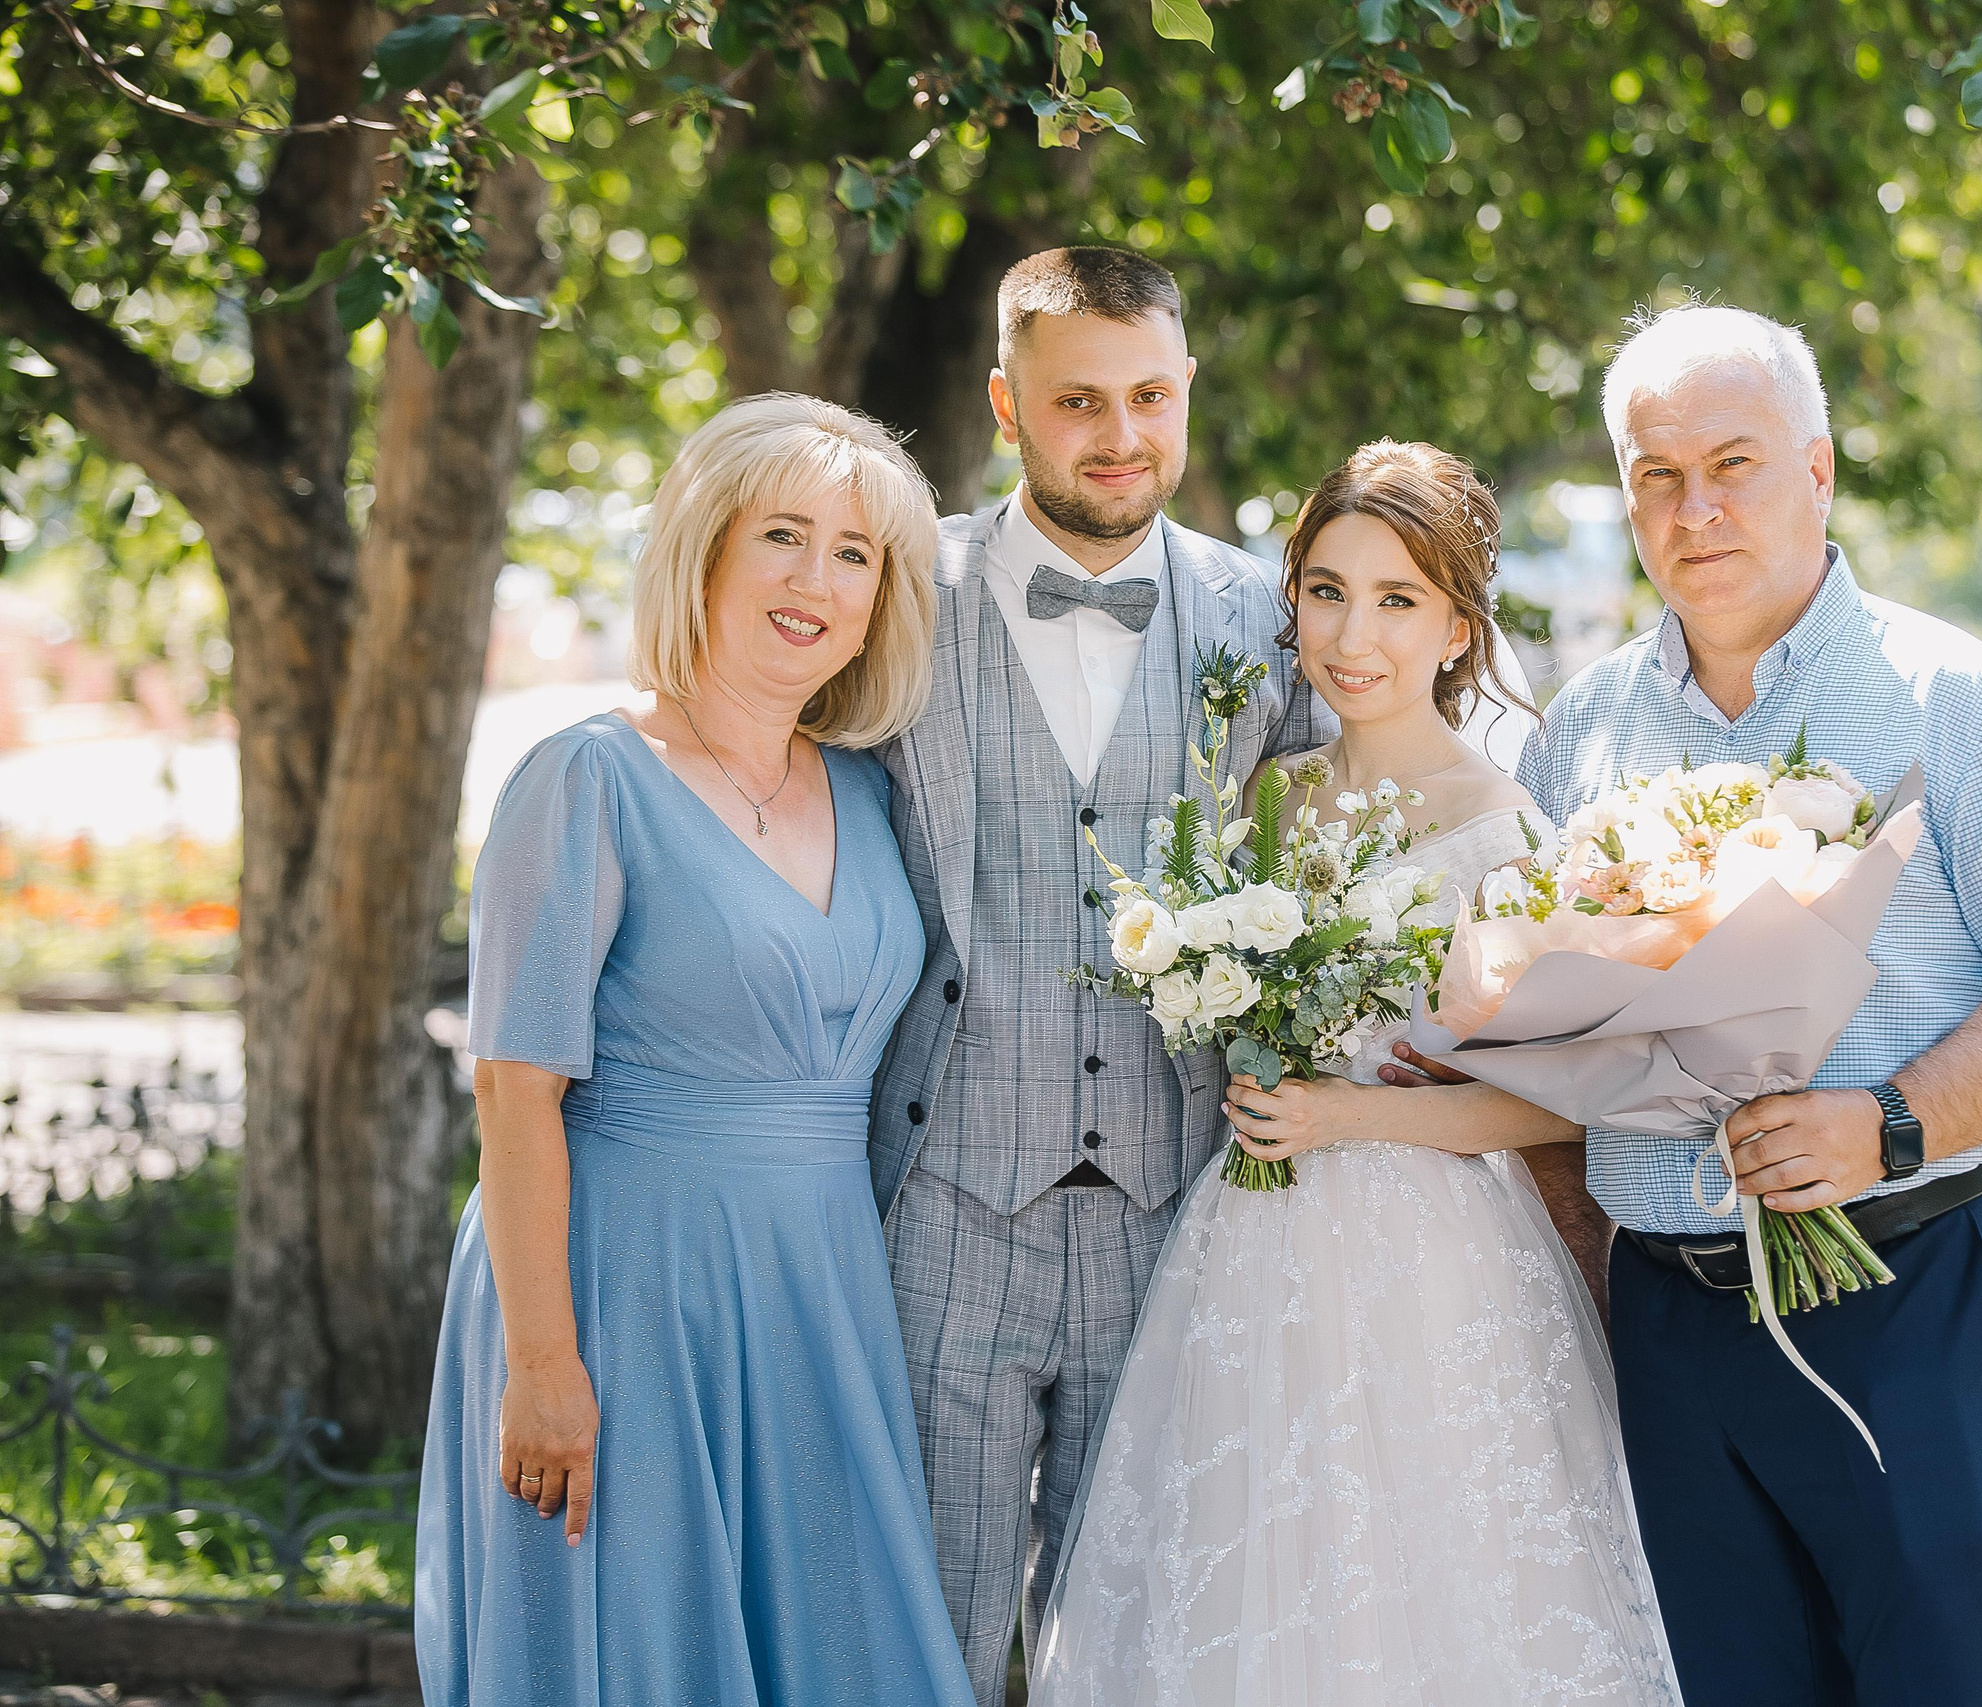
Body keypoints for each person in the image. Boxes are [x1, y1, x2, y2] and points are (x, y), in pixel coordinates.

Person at [1514, 303, 1982, 1707]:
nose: (1696, 509)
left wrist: (1889, 1120)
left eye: (1734, 462)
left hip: (1903, 1283)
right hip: (1668, 1319)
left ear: (1819, 471)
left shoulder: (1963, 704)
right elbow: (1554, 1030)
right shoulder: (1585, 728)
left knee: (1931, 1679)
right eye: (1656, 474)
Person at [1029, 440, 1683, 1705]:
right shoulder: (1267, 799)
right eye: (1325, 591)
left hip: (1437, 1262)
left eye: (1395, 600)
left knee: (1422, 1581)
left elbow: (1558, 1100)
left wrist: (1341, 1111)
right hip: (1252, 1243)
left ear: (1454, 627)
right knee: (1249, 1562)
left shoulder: (1503, 827)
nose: (1351, 634)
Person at [415, 395, 974, 1707]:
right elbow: (513, 1088)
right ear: (704, 550)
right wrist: (544, 1362)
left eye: (854, 552)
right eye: (782, 533)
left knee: (846, 1644)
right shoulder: (586, 778)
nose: (816, 580)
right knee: (639, 1643)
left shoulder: (870, 787)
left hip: (821, 1286)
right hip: (623, 1288)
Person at [868, 246, 1333, 1707]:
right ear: (1008, 403)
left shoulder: (1275, 619)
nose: (1121, 434)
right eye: (1078, 400)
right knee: (921, 1636)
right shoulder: (891, 591)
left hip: (1182, 1203)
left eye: (1148, 394)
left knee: (1140, 1641)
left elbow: (1337, 872)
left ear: (1187, 386)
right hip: (943, 1204)